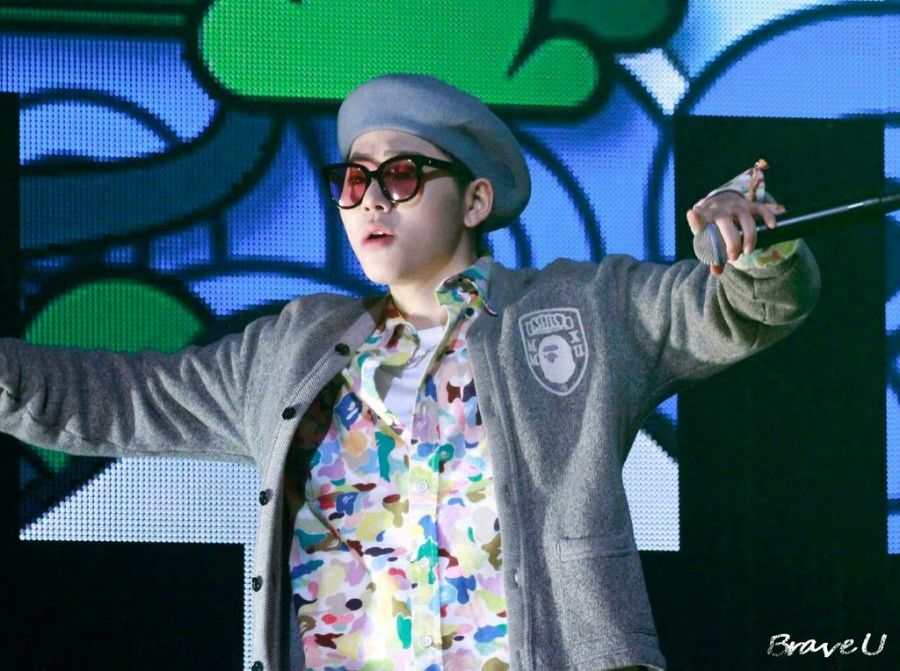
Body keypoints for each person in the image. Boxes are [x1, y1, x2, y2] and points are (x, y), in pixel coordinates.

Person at [0, 73, 820, 670]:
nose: (371, 199)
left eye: (401, 175)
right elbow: (123, 398)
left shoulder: (580, 309)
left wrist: (751, 244)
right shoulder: (294, 347)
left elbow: (737, 308)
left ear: (474, 201)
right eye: (354, 179)